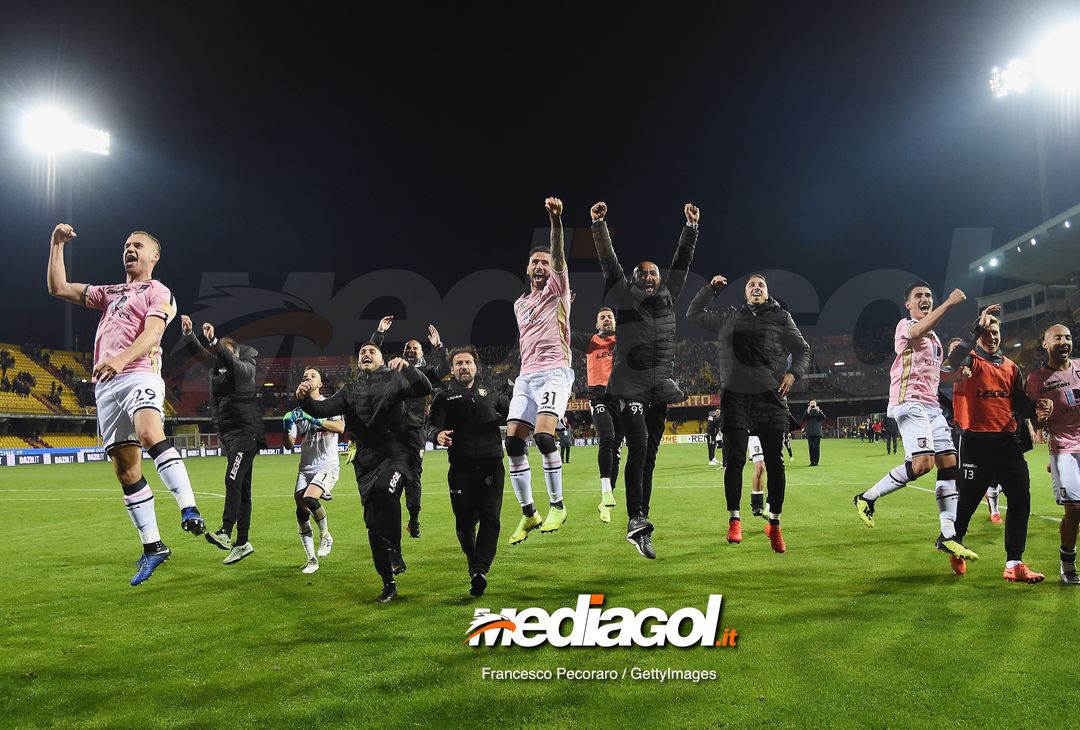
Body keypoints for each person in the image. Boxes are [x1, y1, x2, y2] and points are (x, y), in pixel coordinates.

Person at [47, 223, 207, 586]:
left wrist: (120, 360)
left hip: (138, 373)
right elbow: (58, 287)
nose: (130, 249)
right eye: (126, 245)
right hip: (106, 386)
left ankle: (189, 507)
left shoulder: (159, 291)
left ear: (155, 256)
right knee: (126, 470)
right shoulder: (111, 292)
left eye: (138, 245)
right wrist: (56, 245)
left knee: (150, 432)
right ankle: (154, 547)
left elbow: (153, 333)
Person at [591, 200, 700, 559]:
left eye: (654, 272)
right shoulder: (624, 297)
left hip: (660, 386)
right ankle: (635, 517)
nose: (650, 277)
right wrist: (599, 225)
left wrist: (691, 229)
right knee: (637, 444)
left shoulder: (670, 294)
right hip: (629, 384)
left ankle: (641, 523)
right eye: (643, 273)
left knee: (650, 455)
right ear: (635, 279)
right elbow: (610, 263)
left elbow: (682, 263)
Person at [850, 282, 976, 563]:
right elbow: (917, 330)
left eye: (929, 296)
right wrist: (949, 303)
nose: (925, 299)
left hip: (932, 407)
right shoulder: (905, 325)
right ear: (908, 304)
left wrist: (956, 376)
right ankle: (866, 497)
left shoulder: (935, 340)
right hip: (909, 403)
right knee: (922, 465)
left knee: (948, 464)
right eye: (918, 296)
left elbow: (935, 373)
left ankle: (947, 535)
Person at [687, 273, 811, 553]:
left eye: (761, 285)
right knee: (733, 461)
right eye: (751, 285)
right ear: (745, 294)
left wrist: (793, 374)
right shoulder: (730, 318)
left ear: (767, 293)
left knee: (775, 464)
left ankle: (775, 526)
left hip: (771, 396)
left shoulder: (781, 317)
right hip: (736, 398)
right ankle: (734, 521)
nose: (756, 288)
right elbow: (693, 313)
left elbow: (803, 350)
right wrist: (710, 290)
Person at [298, 342, 432, 602]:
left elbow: (424, 388)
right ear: (358, 363)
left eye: (372, 351)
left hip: (396, 454)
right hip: (366, 462)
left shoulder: (396, 378)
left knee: (386, 489)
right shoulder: (350, 390)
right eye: (362, 353)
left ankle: (396, 549)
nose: (366, 355)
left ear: (381, 359)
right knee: (373, 525)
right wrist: (303, 398)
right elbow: (321, 410)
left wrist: (408, 369)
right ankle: (388, 582)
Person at [948, 306, 1051, 580]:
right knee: (967, 504)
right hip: (975, 443)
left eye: (995, 332)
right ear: (979, 334)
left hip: (1007, 442)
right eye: (986, 332)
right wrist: (975, 331)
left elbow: (1018, 404)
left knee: (1020, 499)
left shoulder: (1011, 367)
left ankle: (1014, 564)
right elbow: (952, 361)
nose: (991, 337)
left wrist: (1035, 408)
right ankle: (955, 546)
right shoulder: (968, 361)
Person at [505, 197, 572, 545]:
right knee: (513, 443)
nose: (541, 265)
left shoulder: (558, 292)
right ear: (527, 268)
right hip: (526, 377)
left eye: (545, 262)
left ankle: (557, 505)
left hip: (554, 372)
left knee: (545, 437)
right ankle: (529, 514)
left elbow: (560, 256)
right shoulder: (519, 304)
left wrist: (556, 221)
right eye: (535, 262)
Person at [179, 317, 266, 565]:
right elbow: (200, 354)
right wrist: (189, 335)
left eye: (225, 354)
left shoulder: (245, 369)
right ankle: (243, 542)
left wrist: (216, 342)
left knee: (232, 479)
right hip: (232, 437)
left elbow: (232, 362)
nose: (220, 357)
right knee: (243, 491)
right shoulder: (219, 371)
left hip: (245, 434)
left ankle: (226, 532)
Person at [427, 346, 509, 596]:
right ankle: (474, 564)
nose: (464, 366)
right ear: (451, 370)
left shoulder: (492, 393)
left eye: (468, 362)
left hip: (491, 466)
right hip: (461, 469)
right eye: (459, 363)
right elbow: (430, 426)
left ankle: (480, 569)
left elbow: (515, 415)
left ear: (476, 367)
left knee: (490, 518)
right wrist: (437, 434)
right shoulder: (443, 397)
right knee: (464, 524)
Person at [370, 316, 450, 538]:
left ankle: (414, 519)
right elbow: (371, 358)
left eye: (416, 348)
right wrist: (379, 332)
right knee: (388, 475)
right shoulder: (391, 370)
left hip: (415, 431)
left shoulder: (426, 374)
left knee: (414, 475)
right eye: (408, 348)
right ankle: (389, 518)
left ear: (422, 354)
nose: (412, 350)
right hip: (390, 432)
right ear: (403, 352)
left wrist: (439, 346)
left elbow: (445, 368)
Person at [1026, 324, 1080, 584]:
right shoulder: (1036, 379)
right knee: (1075, 508)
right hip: (1063, 446)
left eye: (1068, 337)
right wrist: (1039, 418)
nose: (1064, 342)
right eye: (1058, 337)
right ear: (1046, 344)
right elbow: (1036, 423)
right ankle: (1067, 565)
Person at [283, 367, 345, 574]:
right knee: (301, 511)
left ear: (319, 383)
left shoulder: (330, 404)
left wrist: (315, 419)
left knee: (310, 499)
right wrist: (286, 425)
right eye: (304, 376)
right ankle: (311, 559)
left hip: (327, 465)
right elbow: (289, 444)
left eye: (312, 376)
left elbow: (340, 428)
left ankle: (326, 535)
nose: (307, 378)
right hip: (305, 468)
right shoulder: (297, 411)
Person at [571, 307, 623, 521]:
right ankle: (605, 490)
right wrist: (562, 304)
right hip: (599, 396)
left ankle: (606, 500)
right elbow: (564, 330)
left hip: (621, 397)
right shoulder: (590, 341)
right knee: (608, 438)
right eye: (602, 317)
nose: (606, 319)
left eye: (609, 316)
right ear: (597, 324)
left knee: (617, 452)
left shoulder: (623, 340)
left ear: (615, 321)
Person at [803, 400, 826, 466]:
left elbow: (824, 417)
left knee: (817, 447)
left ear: (816, 404)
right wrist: (807, 411)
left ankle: (816, 462)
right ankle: (811, 462)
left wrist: (819, 411)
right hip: (809, 431)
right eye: (811, 403)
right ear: (809, 404)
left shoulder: (819, 411)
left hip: (817, 431)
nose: (812, 404)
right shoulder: (807, 411)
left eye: (813, 403)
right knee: (810, 447)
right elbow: (803, 419)